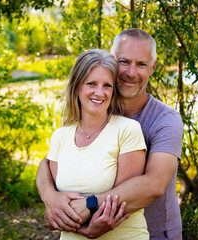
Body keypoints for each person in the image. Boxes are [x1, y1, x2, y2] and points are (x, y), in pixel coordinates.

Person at [36, 28, 184, 240]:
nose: (131, 73)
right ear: (112, 62)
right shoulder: (93, 109)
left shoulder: (164, 120)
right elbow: (48, 162)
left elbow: (154, 185)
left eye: (141, 64)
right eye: (124, 62)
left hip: (156, 234)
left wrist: (90, 205)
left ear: (153, 67)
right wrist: (50, 198)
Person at [45, 48, 149, 239]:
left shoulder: (127, 130)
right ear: (77, 87)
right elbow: (56, 210)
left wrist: (76, 219)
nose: (99, 92)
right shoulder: (60, 136)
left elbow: (122, 201)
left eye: (107, 86)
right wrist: (53, 208)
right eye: (91, 83)